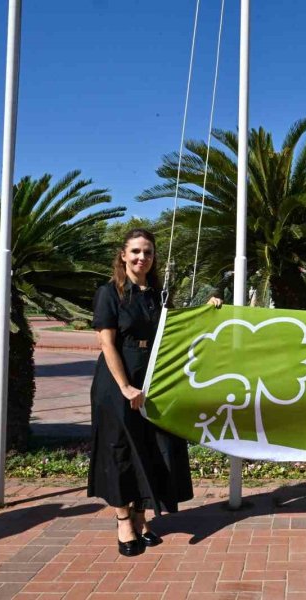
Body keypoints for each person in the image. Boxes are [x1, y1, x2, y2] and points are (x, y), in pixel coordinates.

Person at [89, 228, 222, 557]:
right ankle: (123, 520)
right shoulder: (109, 293)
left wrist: (208, 309)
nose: (141, 258)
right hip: (117, 380)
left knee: (152, 447)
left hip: (153, 380)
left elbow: (175, 329)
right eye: (135, 251)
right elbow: (106, 343)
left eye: (147, 253)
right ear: (123, 255)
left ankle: (141, 515)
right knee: (121, 450)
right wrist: (125, 386)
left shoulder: (156, 294)